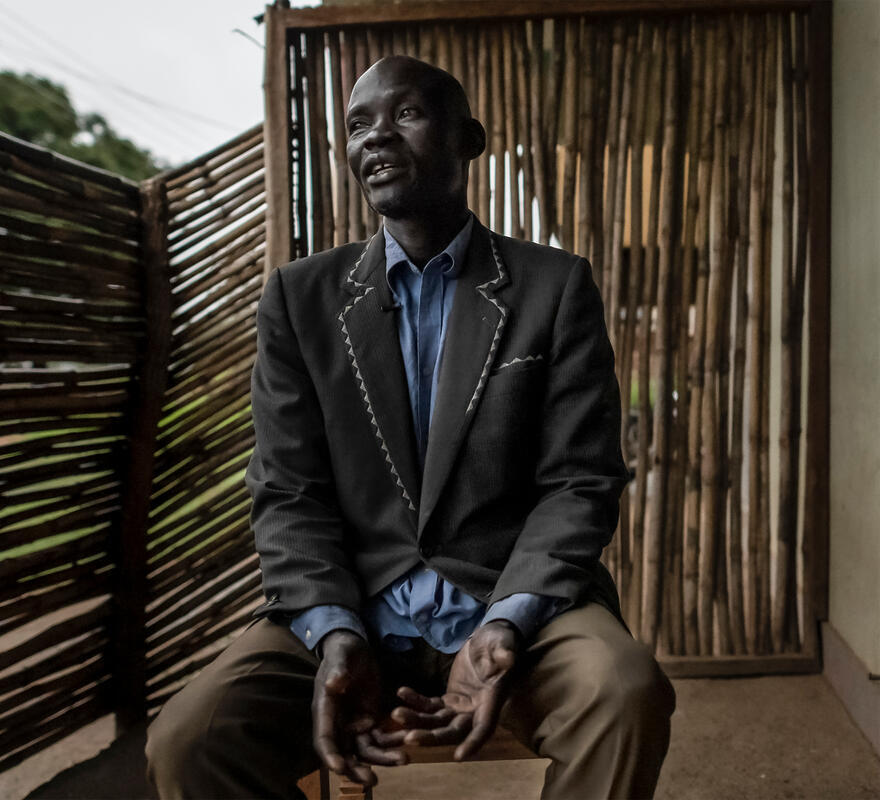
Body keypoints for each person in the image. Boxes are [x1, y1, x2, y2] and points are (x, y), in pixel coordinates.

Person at [146, 55, 674, 800]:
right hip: (353, 614)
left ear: (469, 139)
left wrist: (507, 626)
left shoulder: (553, 288)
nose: (376, 138)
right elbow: (287, 491)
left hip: (512, 609)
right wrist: (335, 633)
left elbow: (579, 482)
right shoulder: (300, 300)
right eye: (359, 125)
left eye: (407, 115)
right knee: (191, 738)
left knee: (624, 692)